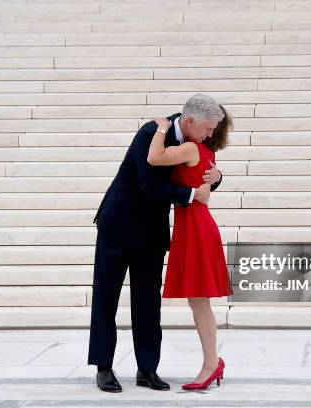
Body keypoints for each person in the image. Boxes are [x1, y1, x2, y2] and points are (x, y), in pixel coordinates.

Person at [87, 93, 225, 393]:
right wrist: (191, 195)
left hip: (152, 231)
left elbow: (200, 165)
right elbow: (149, 185)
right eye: (207, 128)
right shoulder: (152, 132)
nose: (209, 134)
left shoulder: (191, 138)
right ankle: (104, 367)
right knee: (106, 297)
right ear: (189, 121)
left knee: (148, 302)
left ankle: (147, 369)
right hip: (119, 224)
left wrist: (216, 177)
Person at [147, 102, 233, 391]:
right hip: (195, 225)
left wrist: (161, 127)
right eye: (208, 128)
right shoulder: (205, 151)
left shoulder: (192, 149)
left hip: (195, 227)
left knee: (199, 301)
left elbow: (155, 158)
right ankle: (213, 361)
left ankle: (211, 363)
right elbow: (207, 179)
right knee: (199, 302)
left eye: (212, 130)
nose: (209, 134)